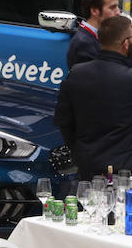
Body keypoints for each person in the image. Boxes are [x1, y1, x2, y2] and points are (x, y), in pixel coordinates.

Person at [56, 13, 132, 178]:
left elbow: (64, 121)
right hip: (125, 173)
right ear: (126, 44)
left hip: (87, 170)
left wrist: (79, 152)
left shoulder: (76, 74)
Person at [66, 0, 121, 70]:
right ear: (95, 11)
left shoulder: (100, 35)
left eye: (118, 7)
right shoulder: (84, 44)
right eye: (112, 7)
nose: (118, 12)